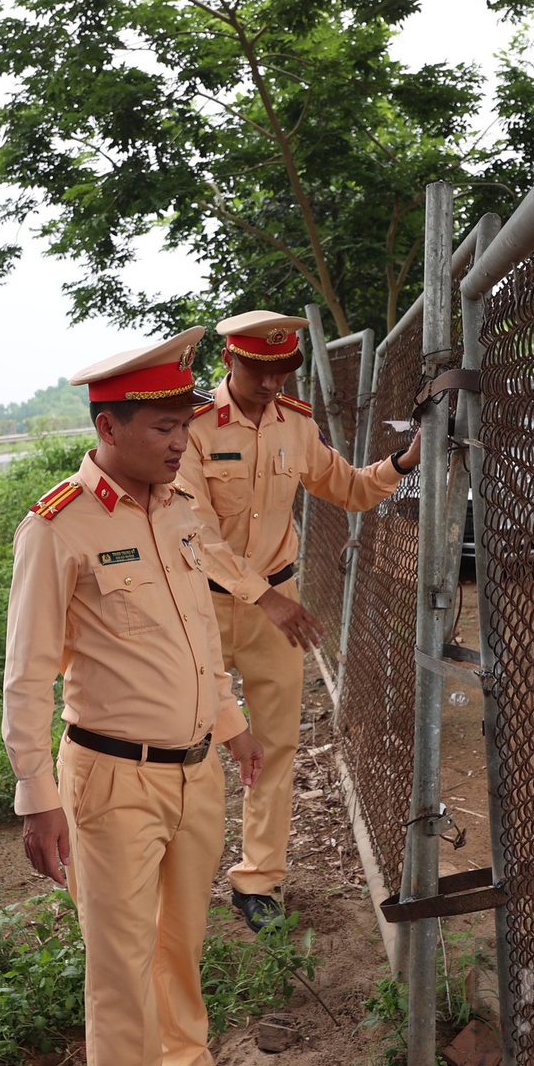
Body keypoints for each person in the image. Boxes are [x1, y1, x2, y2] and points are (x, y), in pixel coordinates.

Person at [2, 328, 278, 1066]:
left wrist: (233, 731)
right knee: (120, 967)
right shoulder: (59, 527)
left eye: (184, 424)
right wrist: (36, 796)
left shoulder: (182, 512)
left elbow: (199, 639)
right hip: (112, 778)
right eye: (161, 426)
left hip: (194, 770)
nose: (180, 441)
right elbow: (25, 677)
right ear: (109, 427)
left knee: (180, 940)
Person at [177, 310, 422, 932]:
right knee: (192, 743)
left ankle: (258, 882)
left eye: (282, 372)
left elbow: (350, 488)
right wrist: (265, 596)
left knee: (276, 746)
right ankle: (180, 871)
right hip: (198, 608)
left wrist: (404, 461)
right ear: (229, 361)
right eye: (260, 371)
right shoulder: (195, 430)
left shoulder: (296, 425)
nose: (271, 385)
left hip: (273, 614)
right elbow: (193, 531)